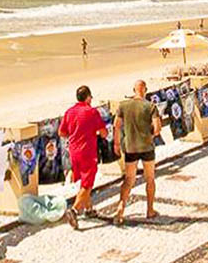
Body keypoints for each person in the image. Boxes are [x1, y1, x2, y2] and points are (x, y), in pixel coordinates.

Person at [112, 80, 162, 226]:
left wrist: (116, 143)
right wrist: (149, 136)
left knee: (129, 180)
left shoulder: (123, 105)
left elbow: (116, 126)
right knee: (150, 178)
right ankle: (150, 210)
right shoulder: (150, 106)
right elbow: (157, 128)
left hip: (130, 148)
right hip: (147, 147)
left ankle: (120, 209)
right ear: (145, 90)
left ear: (133, 90)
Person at [58, 85, 108, 227]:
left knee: (83, 181)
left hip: (74, 151)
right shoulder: (91, 112)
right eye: (91, 97)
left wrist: (75, 134)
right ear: (87, 97)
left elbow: (62, 133)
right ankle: (74, 210)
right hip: (87, 151)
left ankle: (89, 209)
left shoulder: (69, 112)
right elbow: (104, 133)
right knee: (88, 183)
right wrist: (95, 133)